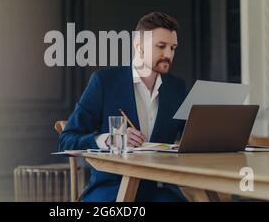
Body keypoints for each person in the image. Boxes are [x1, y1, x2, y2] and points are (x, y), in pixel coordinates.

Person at [58, 12, 188, 202]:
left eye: (173, 48)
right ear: (138, 45)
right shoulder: (104, 82)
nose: (168, 54)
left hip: (160, 190)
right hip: (112, 189)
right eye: (161, 46)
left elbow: (190, 136)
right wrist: (109, 139)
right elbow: (66, 141)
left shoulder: (177, 87)